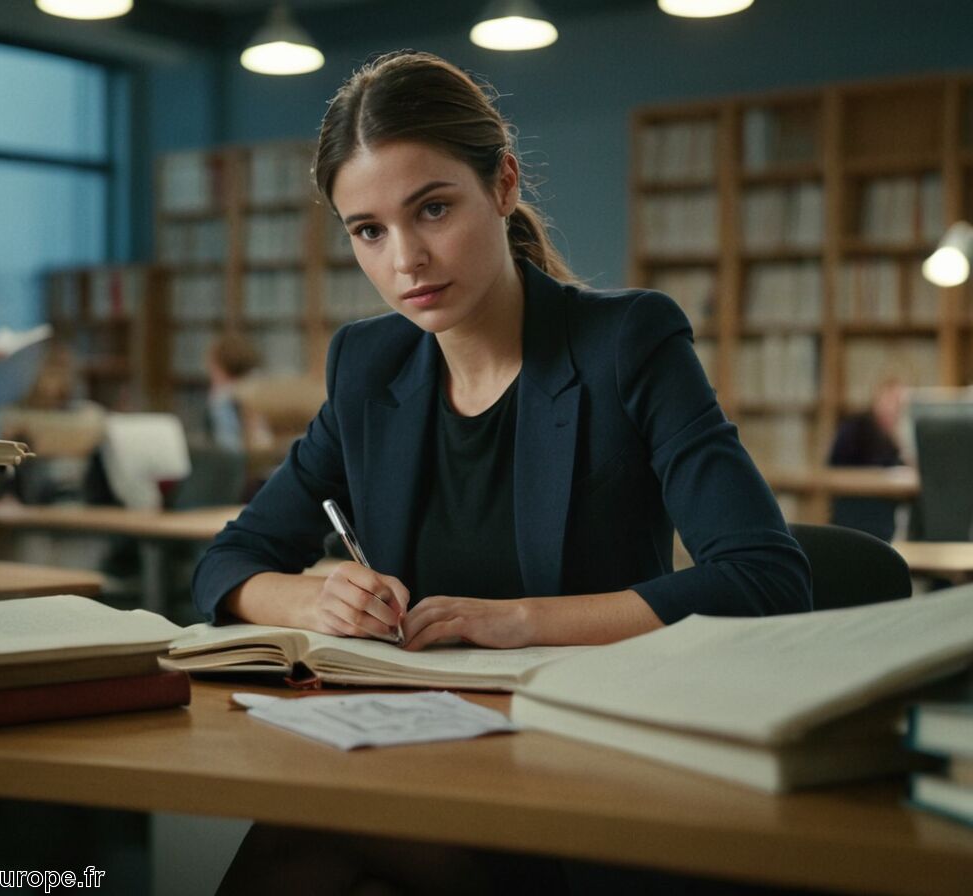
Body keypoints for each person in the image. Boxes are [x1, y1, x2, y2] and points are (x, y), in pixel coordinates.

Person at [200, 49, 813, 896]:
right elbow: (227, 564)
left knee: (315, 830)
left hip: (594, 759)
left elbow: (766, 580)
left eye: (434, 208)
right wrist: (307, 596)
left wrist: (520, 621)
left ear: (504, 184)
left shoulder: (628, 343)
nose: (405, 259)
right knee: (316, 818)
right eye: (369, 231)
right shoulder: (368, 365)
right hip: (422, 745)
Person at [827, 376, 907, 541]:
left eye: (898, 404)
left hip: (888, 514)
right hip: (856, 511)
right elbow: (833, 467)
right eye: (888, 401)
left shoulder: (902, 432)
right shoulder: (855, 427)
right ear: (876, 401)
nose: (892, 409)